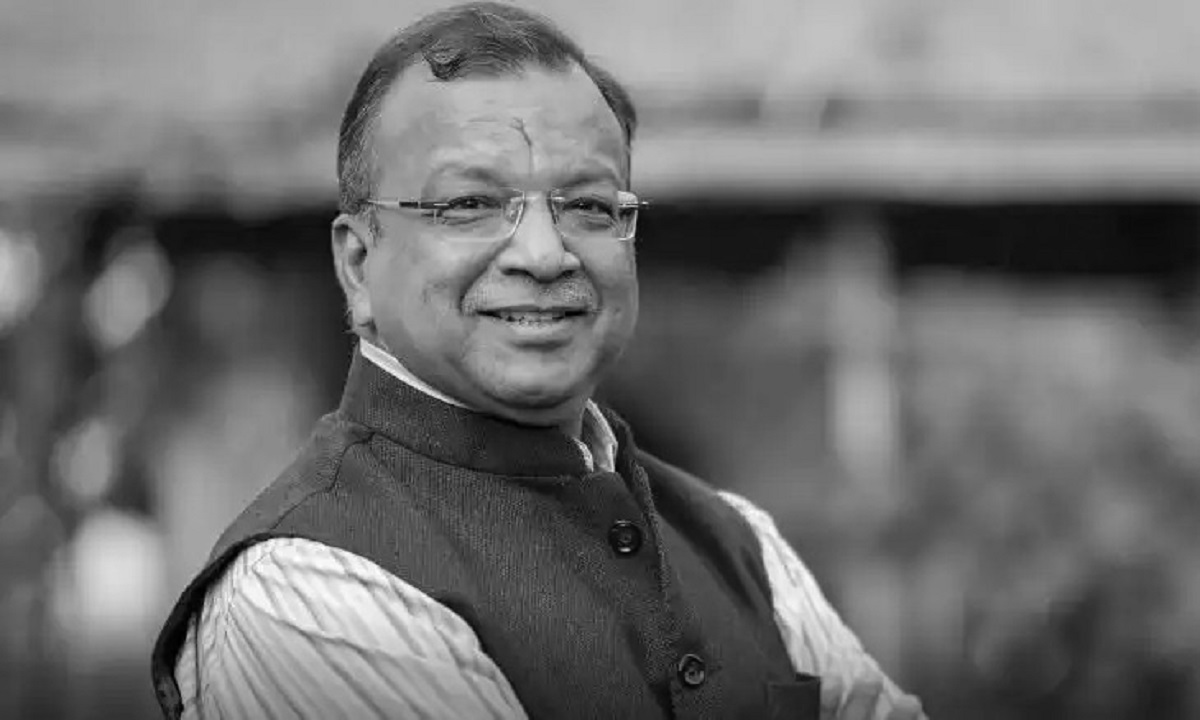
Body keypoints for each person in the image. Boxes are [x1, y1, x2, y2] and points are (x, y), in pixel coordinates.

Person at [150, 3, 927, 719]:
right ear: (358, 264)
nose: (545, 254)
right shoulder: (309, 586)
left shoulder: (740, 545)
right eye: (469, 204)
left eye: (589, 205)